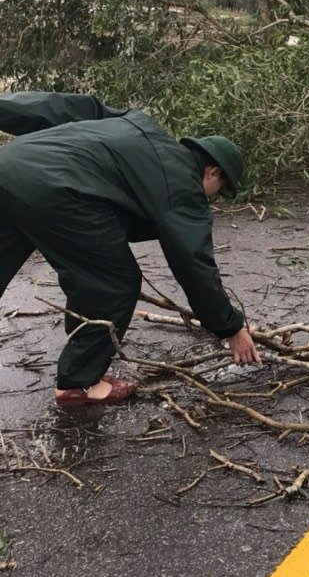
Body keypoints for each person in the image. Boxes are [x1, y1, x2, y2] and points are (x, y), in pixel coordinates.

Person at [0, 92, 260, 408]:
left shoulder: (135, 124)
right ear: (213, 172)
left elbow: (65, 108)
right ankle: (78, 384)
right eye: (219, 191)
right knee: (114, 284)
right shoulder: (184, 185)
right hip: (58, 190)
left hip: (10, 165)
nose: (212, 199)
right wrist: (231, 326)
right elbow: (195, 266)